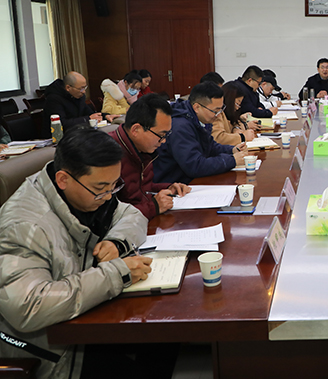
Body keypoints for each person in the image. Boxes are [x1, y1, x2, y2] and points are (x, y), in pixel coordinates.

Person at [0, 127, 152, 379]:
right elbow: (28, 306)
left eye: (114, 186)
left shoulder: (86, 193)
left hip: (81, 324)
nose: (108, 197)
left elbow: (131, 215)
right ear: (63, 179)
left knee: (160, 349)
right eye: (101, 187)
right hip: (51, 353)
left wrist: (116, 242)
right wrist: (117, 273)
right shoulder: (25, 226)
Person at [108, 94, 191, 220]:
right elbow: (109, 215)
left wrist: (168, 188)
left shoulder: (143, 149)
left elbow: (141, 190)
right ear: (136, 130)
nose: (163, 141)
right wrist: (154, 207)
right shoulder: (108, 155)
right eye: (161, 135)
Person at [154, 82, 246, 184]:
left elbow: (210, 147)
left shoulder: (200, 119)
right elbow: (194, 166)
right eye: (215, 111)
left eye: (221, 110)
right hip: (176, 184)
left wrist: (232, 150)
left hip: (191, 181)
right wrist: (232, 160)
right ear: (197, 107)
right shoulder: (180, 127)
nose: (218, 115)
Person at [42, 71, 114, 137]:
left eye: (85, 87)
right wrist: (88, 119)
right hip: (59, 138)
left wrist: (105, 116)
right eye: (81, 88)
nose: (84, 91)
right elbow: (62, 124)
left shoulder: (78, 96)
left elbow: (90, 114)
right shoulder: (53, 99)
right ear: (68, 87)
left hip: (78, 133)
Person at [212, 81, 257, 146]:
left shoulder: (227, 113)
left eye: (239, 104)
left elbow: (234, 124)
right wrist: (242, 137)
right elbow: (219, 138)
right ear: (230, 100)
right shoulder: (218, 114)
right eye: (237, 103)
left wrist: (236, 128)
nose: (237, 108)